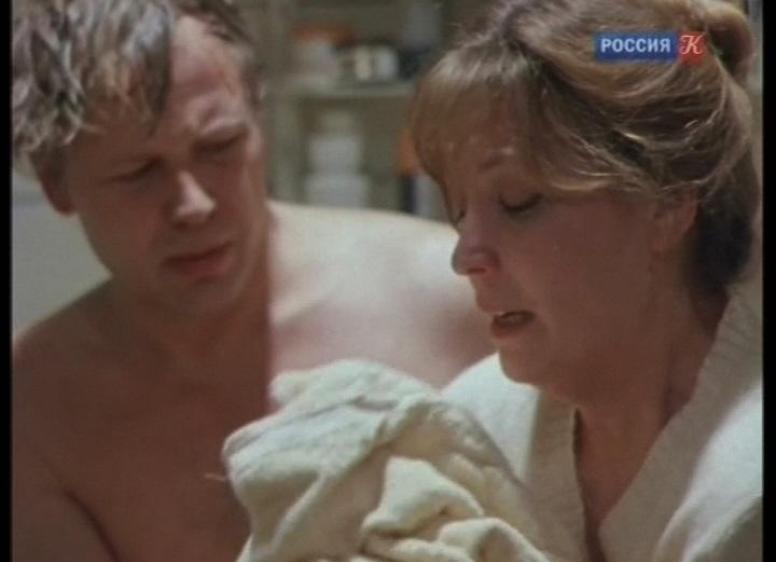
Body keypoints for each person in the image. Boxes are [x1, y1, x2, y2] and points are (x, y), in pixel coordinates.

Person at [11, 1, 492, 561]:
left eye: (219, 146)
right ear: (57, 183)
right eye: (139, 173)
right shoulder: (36, 407)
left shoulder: (450, 292)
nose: (193, 204)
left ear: (258, 119)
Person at [408, 0, 762, 561]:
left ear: (667, 203)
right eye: (459, 212)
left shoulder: (744, 485)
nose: (465, 257)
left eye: (519, 202)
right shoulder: (470, 431)